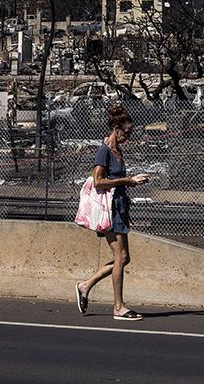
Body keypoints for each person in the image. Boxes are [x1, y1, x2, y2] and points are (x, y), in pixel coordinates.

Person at [75, 103, 149, 320]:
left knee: (124, 258)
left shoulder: (118, 151)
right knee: (120, 256)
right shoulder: (104, 150)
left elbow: (115, 180)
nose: (128, 136)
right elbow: (98, 181)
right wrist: (128, 180)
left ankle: (85, 286)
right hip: (109, 209)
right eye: (126, 132)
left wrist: (130, 182)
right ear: (116, 129)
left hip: (119, 206)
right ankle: (118, 307)